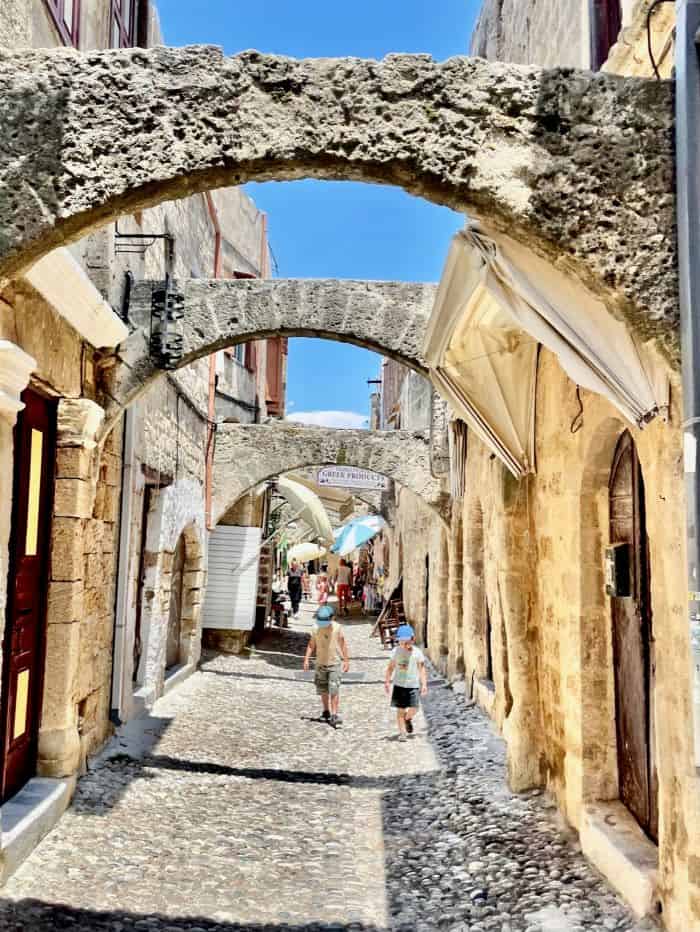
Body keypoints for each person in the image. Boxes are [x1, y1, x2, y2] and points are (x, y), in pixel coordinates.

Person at [303, 604, 350, 727]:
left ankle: (334, 714)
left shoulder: (337, 628)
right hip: (320, 663)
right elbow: (311, 645)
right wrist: (306, 659)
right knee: (323, 689)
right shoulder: (315, 628)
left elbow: (343, 644)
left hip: (334, 663)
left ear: (332, 618)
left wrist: (346, 660)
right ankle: (326, 711)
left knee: (334, 689)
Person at [384, 624, 428, 741]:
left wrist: (424, 684)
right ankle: (402, 733)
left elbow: (422, 669)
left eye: (407, 642)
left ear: (412, 639)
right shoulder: (396, 652)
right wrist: (387, 681)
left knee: (415, 707)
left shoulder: (417, 653)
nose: (404, 645)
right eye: (402, 642)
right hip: (399, 685)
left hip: (413, 685)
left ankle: (407, 718)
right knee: (400, 710)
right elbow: (390, 668)